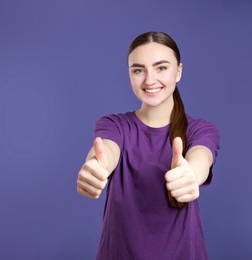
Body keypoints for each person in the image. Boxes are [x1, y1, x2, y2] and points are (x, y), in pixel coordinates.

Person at [77, 31, 220, 259]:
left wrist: (191, 174)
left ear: (179, 72)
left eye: (161, 68)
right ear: (129, 74)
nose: (149, 80)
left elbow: (201, 156)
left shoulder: (200, 129)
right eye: (138, 70)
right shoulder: (115, 125)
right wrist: (97, 168)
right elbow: (107, 150)